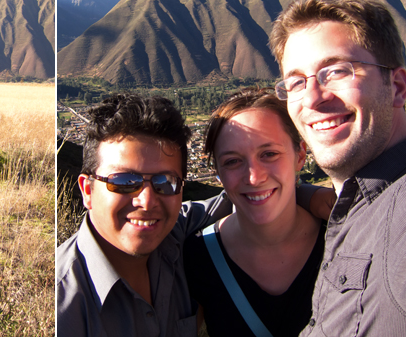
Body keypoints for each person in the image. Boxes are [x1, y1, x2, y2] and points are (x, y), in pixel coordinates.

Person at [56, 93, 330, 337]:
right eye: (125, 181)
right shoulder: (61, 307)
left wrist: (316, 197)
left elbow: (250, 196)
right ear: (87, 190)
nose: (147, 201)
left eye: (166, 182)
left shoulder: (176, 238)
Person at [270, 0, 406, 335]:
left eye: (337, 71)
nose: (313, 98)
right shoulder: (355, 206)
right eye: (297, 82)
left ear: (398, 88)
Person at [184, 88, 325, 337]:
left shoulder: (346, 243)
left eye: (269, 154)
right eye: (232, 161)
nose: (254, 177)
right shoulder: (196, 258)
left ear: (300, 155)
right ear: (217, 172)